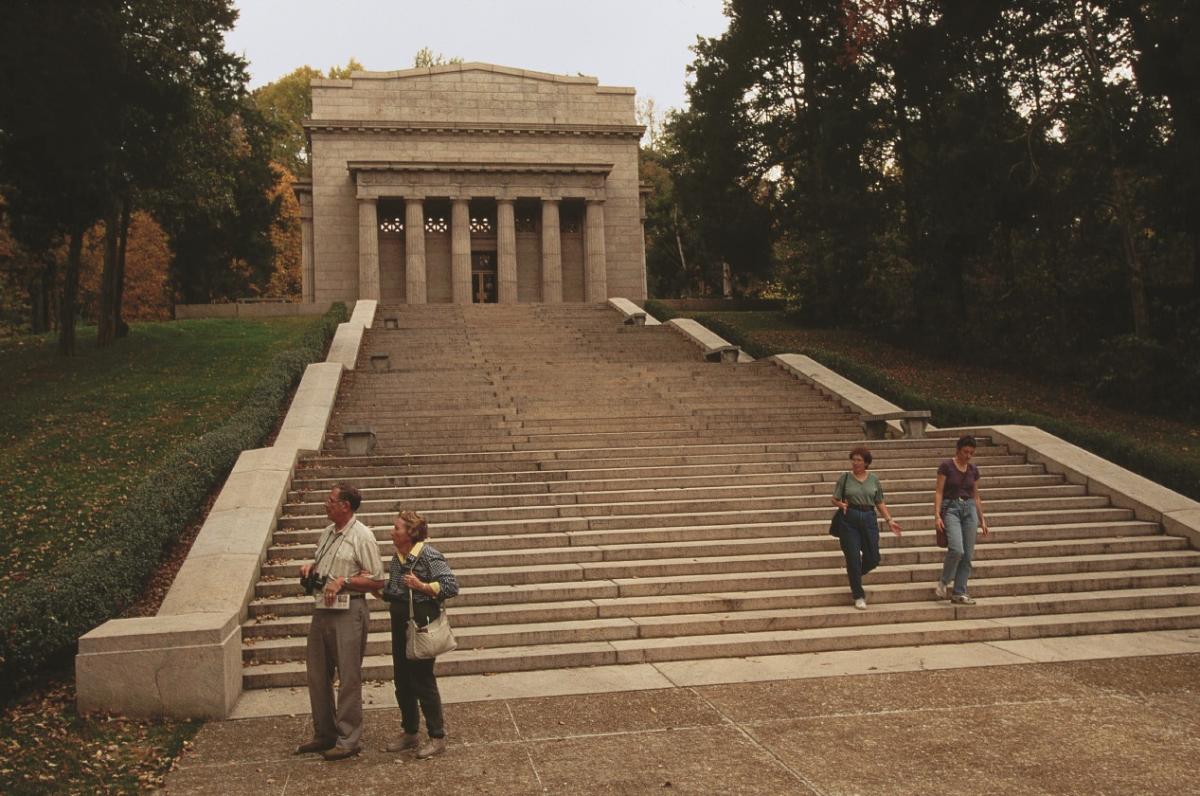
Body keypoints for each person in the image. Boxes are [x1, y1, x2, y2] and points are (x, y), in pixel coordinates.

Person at [294, 484, 385, 761]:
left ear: (345, 506)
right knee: (317, 674)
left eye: (331, 500)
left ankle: (349, 739)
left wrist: (344, 581)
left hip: (349, 611)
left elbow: (377, 580)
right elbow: (325, 564)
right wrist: (312, 568)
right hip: (322, 609)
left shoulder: (363, 536)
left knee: (348, 678)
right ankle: (325, 734)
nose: (326, 503)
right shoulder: (327, 533)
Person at [372, 510, 459, 759]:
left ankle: (437, 736)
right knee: (402, 679)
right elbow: (397, 590)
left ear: (410, 533)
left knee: (422, 680)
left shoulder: (428, 554)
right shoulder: (398, 557)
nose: (391, 531)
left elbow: (451, 586)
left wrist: (422, 586)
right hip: (400, 624)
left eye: (396, 528)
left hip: (422, 625)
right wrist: (378, 589)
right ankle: (410, 731)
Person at [832, 446, 902, 609]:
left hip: (869, 517)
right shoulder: (845, 478)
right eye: (853, 459)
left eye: (859, 460)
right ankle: (858, 594)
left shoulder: (874, 479)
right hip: (849, 519)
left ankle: (854, 574)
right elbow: (834, 499)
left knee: (873, 558)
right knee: (853, 557)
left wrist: (889, 520)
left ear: (866, 463)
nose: (855, 463)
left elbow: (879, 501)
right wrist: (840, 503)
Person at [934, 435, 990, 604]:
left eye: (971, 452)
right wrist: (937, 515)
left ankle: (959, 591)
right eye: (965, 451)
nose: (968, 456)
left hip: (970, 509)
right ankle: (944, 581)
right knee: (957, 549)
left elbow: (976, 496)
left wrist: (982, 519)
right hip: (951, 508)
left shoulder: (973, 470)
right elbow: (938, 492)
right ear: (958, 450)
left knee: (968, 554)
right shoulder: (946, 466)